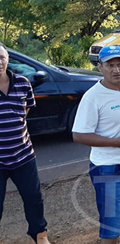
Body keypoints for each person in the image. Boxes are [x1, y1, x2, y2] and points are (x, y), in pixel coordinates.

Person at [72, 45, 120, 244]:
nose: (116, 69)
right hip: (108, 170)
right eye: (110, 65)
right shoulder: (92, 97)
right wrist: (116, 143)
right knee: (111, 227)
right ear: (100, 67)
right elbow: (78, 135)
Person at [0, 43, 52, 244]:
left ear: (7, 59)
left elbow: (25, 112)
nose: (0, 62)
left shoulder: (22, 83)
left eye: (2, 57)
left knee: (33, 199)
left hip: (23, 156)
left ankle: (40, 235)